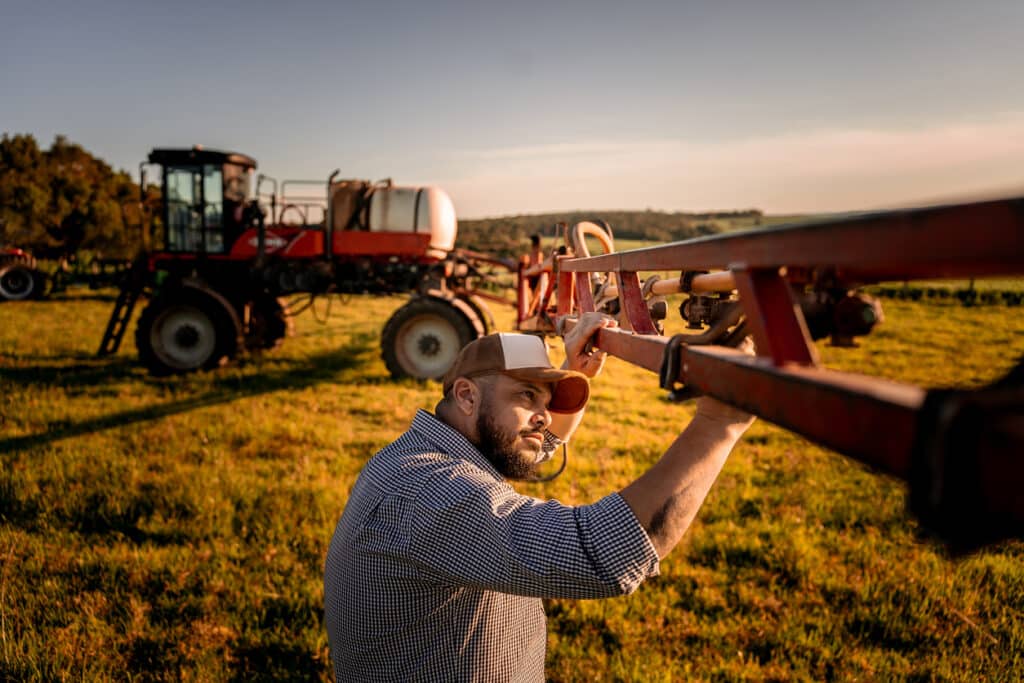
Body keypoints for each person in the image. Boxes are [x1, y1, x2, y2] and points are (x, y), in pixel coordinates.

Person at [323, 313, 755, 681]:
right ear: (467, 396)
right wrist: (719, 424)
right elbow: (600, 553)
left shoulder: (424, 454)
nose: (544, 415)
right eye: (527, 395)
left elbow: (532, 443)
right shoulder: (433, 494)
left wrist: (575, 369)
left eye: (546, 400)